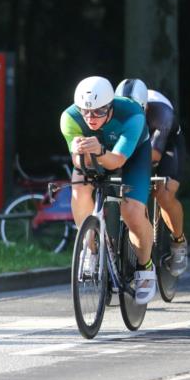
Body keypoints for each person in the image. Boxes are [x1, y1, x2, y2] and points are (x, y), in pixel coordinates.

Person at [61, 75, 156, 304]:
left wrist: (101, 152)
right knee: (79, 188)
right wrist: (78, 152)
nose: (91, 119)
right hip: (97, 155)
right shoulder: (69, 117)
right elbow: (77, 163)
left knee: (132, 212)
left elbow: (117, 162)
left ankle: (145, 266)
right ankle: (90, 248)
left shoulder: (132, 115)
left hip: (130, 156)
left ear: (110, 106)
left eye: (99, 112)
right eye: (86, 111)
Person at [115, 78, 188, 276]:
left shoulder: (161, 114)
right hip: (135, 143)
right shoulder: (112, 109)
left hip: (167, 146)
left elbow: (154, 156)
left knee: (164, 195)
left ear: (145, 107)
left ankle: (178, 242)